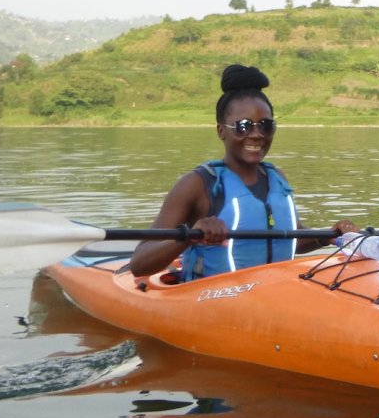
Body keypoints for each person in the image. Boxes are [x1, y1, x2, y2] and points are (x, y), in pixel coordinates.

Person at [129, 64, 356, 280]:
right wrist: (190, 235)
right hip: (213, 298)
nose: (256, 134)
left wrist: (327, 235)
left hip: (273, 293)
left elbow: (289, 241)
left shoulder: (277, 178)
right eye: (244, 126)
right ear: (221, 131)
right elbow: (139, 264)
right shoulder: (197, 184)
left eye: (265, 125)